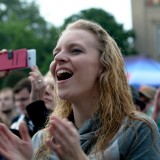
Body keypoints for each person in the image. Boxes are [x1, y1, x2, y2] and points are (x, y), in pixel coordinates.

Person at [0, 19, 160, 160]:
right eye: (56, 53)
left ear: (104, 66)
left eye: (75, 50)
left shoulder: (136, 130)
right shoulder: (42, 139)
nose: (58, 58)